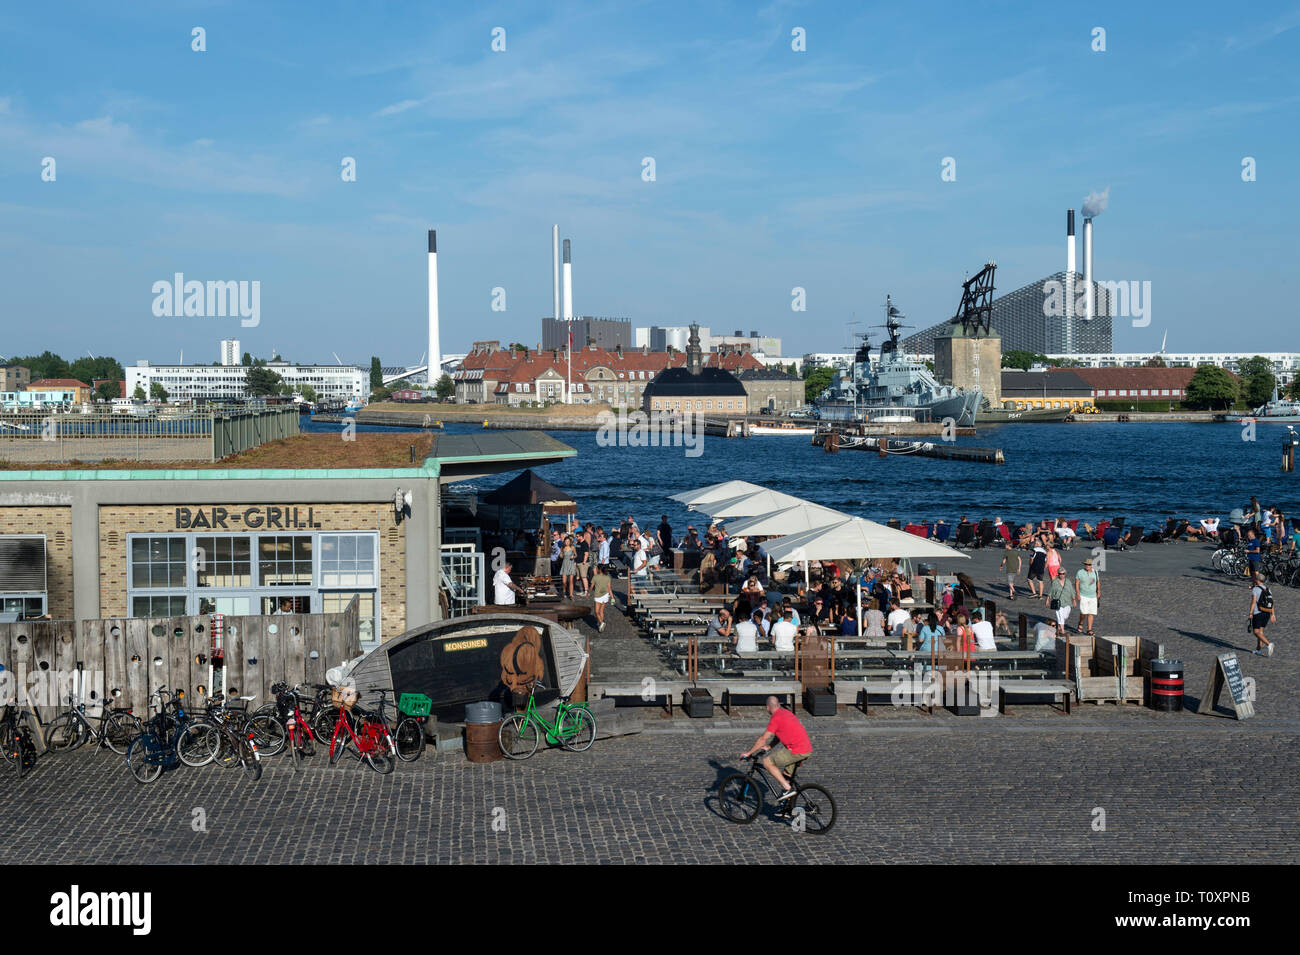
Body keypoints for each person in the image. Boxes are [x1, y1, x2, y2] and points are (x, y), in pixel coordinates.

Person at [741, 696, 813, 802]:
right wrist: (770, 746)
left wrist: (749, 753)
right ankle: (788, 808)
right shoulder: (786, 713)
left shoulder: (775, 718)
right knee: (786, 776)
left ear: (767, 708)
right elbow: (779, 734)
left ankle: (787, 789)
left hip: (796, 750)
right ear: (778, 705)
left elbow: (763, 738)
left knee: (767, 762)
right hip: (806, 748)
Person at [1249, 571, 1276, 656]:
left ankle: (1269, 644)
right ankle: (1258, 649)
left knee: (1256, 632)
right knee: (1260, 632)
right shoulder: (1268, 589)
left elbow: (1253, 602)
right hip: (1267, 613)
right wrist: (1273, 614)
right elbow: (1271, 603)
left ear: (1257, 580)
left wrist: (1250, 613)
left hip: (1258, 612)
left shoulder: (1255, 589)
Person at [1075, 557, 1100, 635]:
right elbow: (1077, 583)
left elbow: (1098, 582)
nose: (1087, 566)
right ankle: (1081, 623)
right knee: (1084, 612)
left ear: (1092, 565)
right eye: (1086, 564)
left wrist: (1099, 591)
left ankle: (1089, 629)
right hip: (1083, 595)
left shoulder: (1095, 572)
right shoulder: (1080, 572)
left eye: (1089, 565)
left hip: (1093, 595)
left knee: (1091, 613)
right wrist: (1078, 594)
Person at [1046, 566, 1073, 635]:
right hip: (1058, 602)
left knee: (1065, 616)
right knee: (1060, 615)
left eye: (1063, 574)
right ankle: (1063, 630)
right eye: (1060, 574)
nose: (1062, 575)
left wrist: (1074, 599)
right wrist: (1048, 599)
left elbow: (1072, 591)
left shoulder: (1068, 581)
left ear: (1065, 574)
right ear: (1058, 574)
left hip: (1067, 601)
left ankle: (1059, 627)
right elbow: (1051, 591)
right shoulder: (1055, 582)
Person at [590, 562, 612, 631]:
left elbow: (591, 587)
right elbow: (609, 588)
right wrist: (612, 597)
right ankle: (601, 624)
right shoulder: (607, 577)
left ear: (599, 569)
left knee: (596, 612)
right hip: (606, 595)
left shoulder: (595, 577)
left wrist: (588, 592)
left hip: (598, 596)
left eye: (597, 568)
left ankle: (602, 623)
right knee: (601, 611)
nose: (596, 569)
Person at [559, 535, 577, 599]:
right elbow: (561, 555)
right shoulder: (562, 548)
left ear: (570, 542)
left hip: (571, 564)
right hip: (564, 564)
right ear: (564, 542)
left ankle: (571, 594)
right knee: (564, 581)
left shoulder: (572, 547)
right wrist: (560, 555)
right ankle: (564, 593)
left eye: (568, 541)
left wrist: (573, 557)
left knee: (571, 581)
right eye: (566, 541)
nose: (567, 542)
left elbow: (576, 555)